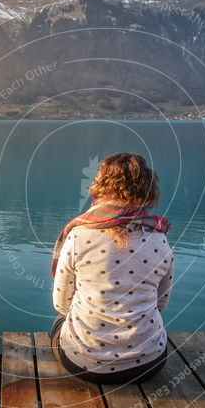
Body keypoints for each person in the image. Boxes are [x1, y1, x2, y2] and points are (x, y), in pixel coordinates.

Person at [49, 152, 173, 384]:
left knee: (58, 320)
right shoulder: (160, 239)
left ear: (100, 185)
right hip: (150, 362)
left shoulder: (79, 235)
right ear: (147, 190)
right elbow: (161, 303)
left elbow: (61, 304)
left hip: (85, 364)